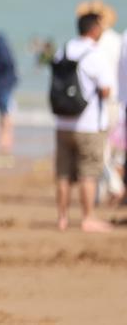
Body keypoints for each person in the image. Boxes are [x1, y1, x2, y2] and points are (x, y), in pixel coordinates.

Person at [54, 12, 114, 232]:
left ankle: (62, 218)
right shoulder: (95, 53)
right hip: (88, 124)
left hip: (62, 121)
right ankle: (88, 218)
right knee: (88, 172)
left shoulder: (63, 50)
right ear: (94, 29)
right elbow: (106, 89)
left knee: (63, 174)